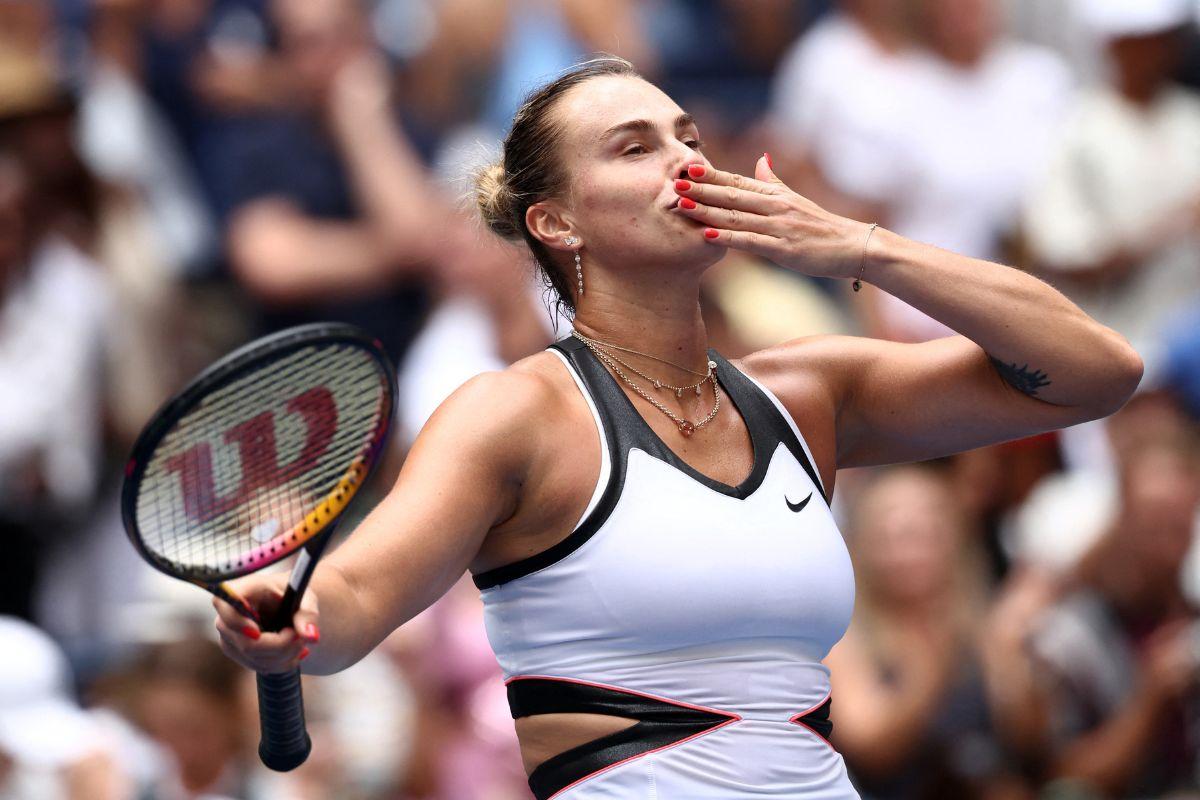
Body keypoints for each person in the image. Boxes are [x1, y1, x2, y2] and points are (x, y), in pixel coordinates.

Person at [212, 56, 1143, 798]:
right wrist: (288, 620)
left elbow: (1098, 372)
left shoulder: (811, 391)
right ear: (557, 223)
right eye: (635, 147)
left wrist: (863, 247)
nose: (685, 161)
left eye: (688, 136)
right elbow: (354, 602)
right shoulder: (516, 413)